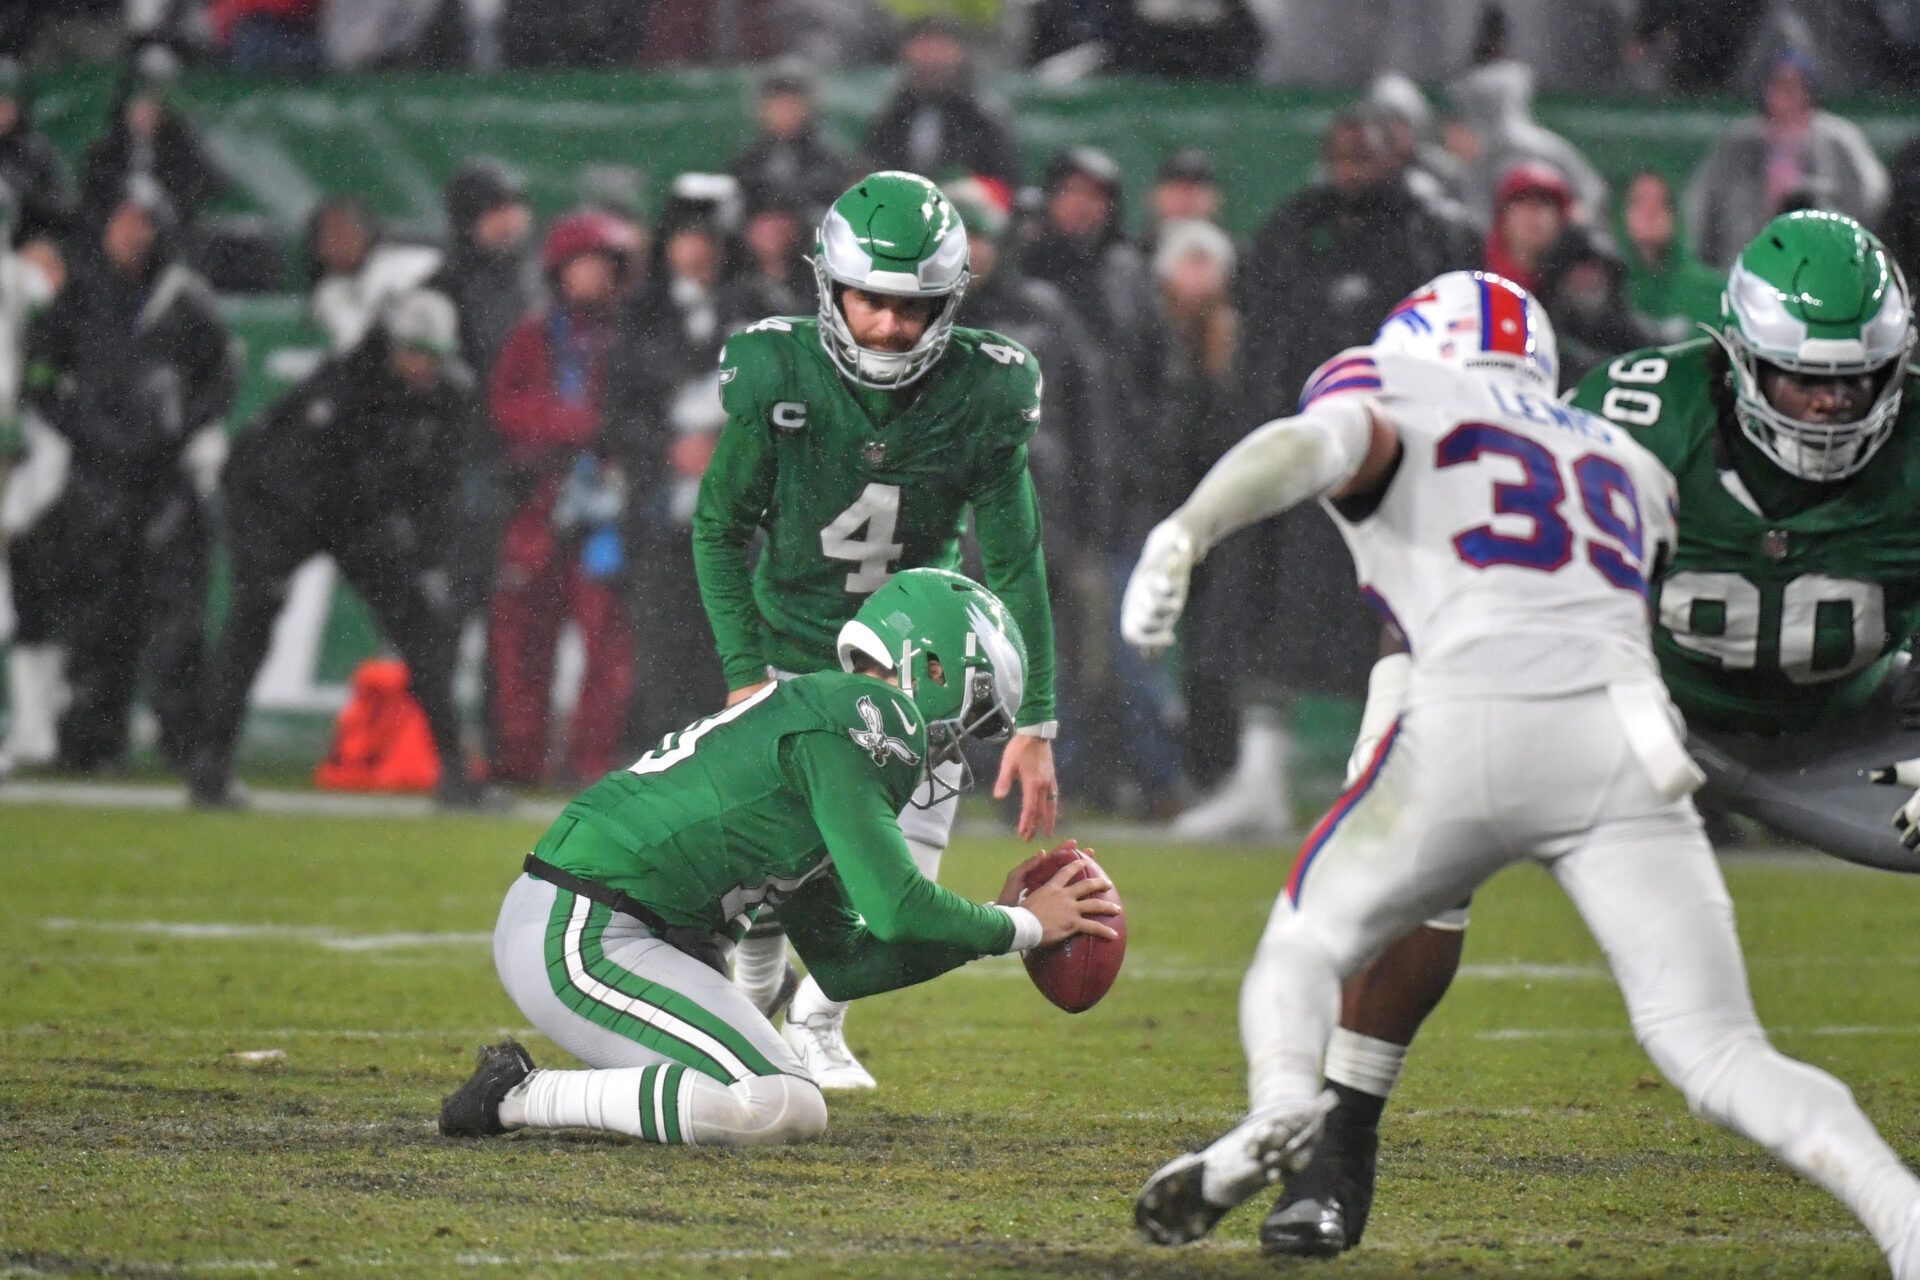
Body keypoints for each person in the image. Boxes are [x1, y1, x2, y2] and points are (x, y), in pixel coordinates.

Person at [1119, 269, 1920, 1273]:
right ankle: (1902, 1213)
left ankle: (1284, 1110)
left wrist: (1187, 530)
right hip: (1621, 748)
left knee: (1304, 945)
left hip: (1463, 727)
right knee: (1718, 1047)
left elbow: (1310, 445)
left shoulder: (1396, 389)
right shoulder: (1623, 455)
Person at [439, 568, 1115, 1147]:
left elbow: (846, 961)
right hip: (587, 929)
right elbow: (898, 907)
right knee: (781, 1102)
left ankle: (522, 1092)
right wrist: (1024, 926)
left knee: (758, 1094)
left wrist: (995, 920)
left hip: (616, 927)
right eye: (972, 721)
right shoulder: (872, 717)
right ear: (933, 667)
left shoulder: (834, 730)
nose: (955, 751)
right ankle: (518, 1095)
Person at [692, 171, 1059, 1089]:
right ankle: (757, 996)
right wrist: (744, 669)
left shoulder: (985, 389)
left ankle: (817, 1023)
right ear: (828, 287)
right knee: (776, 869)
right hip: (787, 645)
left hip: (920, 664)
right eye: (872, 302)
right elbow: (718, 527)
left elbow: (1015, 563)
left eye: (915, 306)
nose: (891, 327)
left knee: (897, 869)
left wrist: (1036, 721)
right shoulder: (777, 373)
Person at [187, 289, 498, 810]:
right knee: (253, 618)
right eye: (416, 352)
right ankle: (210, 764)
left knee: (422, 626)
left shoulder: (449, 396)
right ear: (393, 346)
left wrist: (425, 559)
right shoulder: (346, 385)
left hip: (359, 512)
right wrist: (267, 562)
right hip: (283, 506)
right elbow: (285, 472)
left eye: (434, 355)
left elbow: (436, 488)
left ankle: (455, 773)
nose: (425, 366)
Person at [31, 177, 232, 775]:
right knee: (96, 615)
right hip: (97, 476)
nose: (131, 232)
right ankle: (90, 740)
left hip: (165, 477)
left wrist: (179, 431)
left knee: (176, 617)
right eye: (123, 219)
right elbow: (42, 378)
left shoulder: (183, 298)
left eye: (142, 220)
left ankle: (184, 741)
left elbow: (222, 377)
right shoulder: (79, 296)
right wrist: (83, 428)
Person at [488, 208, 643, 786]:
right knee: (523, 637)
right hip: (538, 505)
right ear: (559, 272)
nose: (594, 278)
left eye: (606, 267)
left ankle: (591, 764)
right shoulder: (534, 336)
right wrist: (577, 426)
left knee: (606, 642)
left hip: (607, 513)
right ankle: (521, 759)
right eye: (583, 265)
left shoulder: (630, 338)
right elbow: (505, 407)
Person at [1683, 48, 1889, 269]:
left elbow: (1873, 194)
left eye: (1794, 84)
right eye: (1778, 83)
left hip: (1825, 263)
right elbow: (1701, 203)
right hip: (1749, 262)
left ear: (1809, 89)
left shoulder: (1839, 138)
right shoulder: (1739, 144)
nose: (1786, 93)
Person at [0, 178, 60, 777]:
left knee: (30, 592)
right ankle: (34, 726)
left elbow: (45, 372)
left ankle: (36, 726)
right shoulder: (28, 281)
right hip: (24, 453)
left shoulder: (27, 284)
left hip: (23, 459)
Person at [76, 46, 225, 235]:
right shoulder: (105, 154)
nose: (147, 111)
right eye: (140, 101)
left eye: (155, 102)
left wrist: (163, 203)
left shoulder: (183, 150)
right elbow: (91, 203)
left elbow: (199, 192)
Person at [863, 20, 1022, 189]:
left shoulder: (983, 116)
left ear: (959, 53)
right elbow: (871, 166)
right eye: (923, 45)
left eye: (940, 46)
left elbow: (1006, 181)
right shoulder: (893, 112)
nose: (930, 57)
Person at [305, 196, 443, 354]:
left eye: (343, 232)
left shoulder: (410, 262)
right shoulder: (329, 293)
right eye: (326, 236)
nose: (334, 244)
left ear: (365, 231)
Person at [727, 58, 857, 219]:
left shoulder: (832, 160)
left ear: (809, 107)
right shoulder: (749, 159)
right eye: (777, 105)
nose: (784, 113)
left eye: (792, 104)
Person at [1618, 169, 1725, 341]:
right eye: (1640, 202)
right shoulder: (1612, 290)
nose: (1650, 212)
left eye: (1661, 203)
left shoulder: (1713, 292)